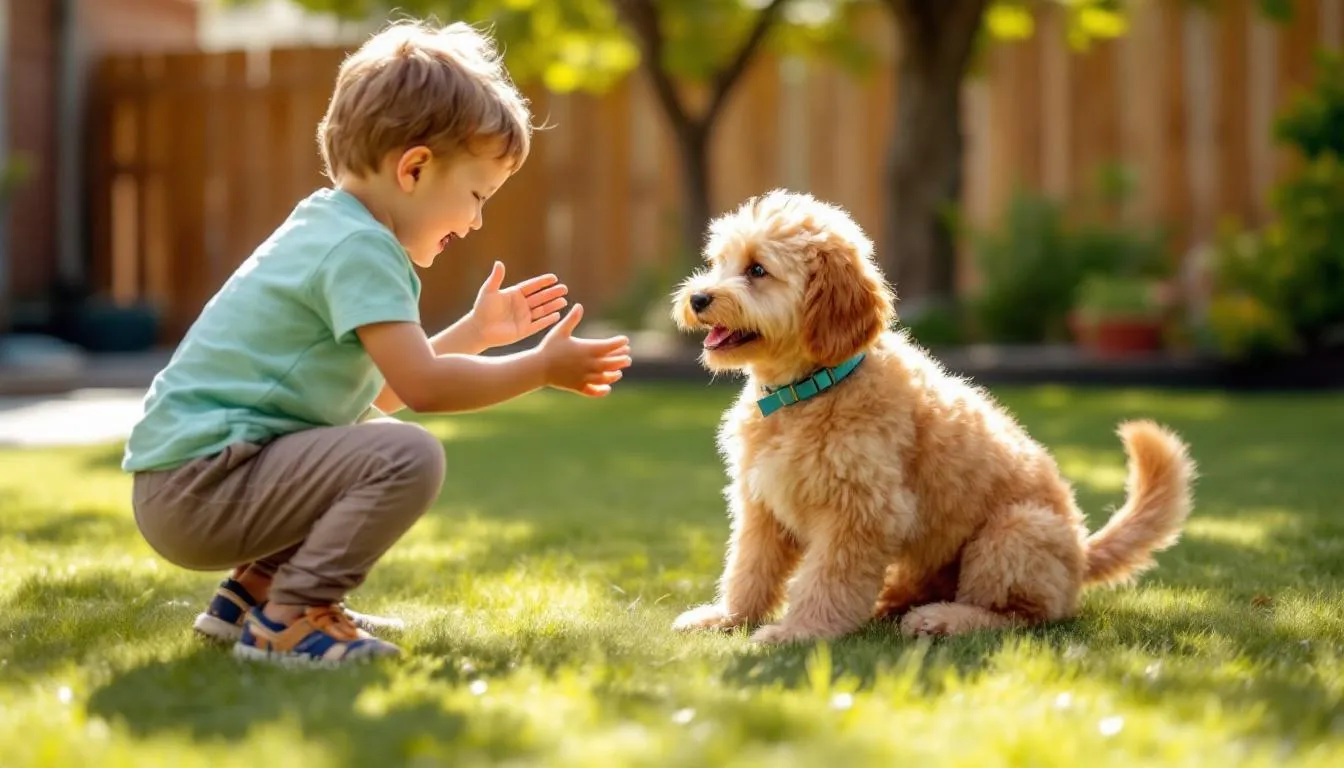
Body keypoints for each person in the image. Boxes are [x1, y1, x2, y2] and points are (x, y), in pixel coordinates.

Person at [121, 18, 632, 667]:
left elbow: (380, 392)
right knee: (406, 457)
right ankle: (292, 615)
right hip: (203, 488)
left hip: (188, 484)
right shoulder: (363, 249)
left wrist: (475, 335)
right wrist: (538, 368)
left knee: (360, 433)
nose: (476, 222)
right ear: (415, 167)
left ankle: (249, 600)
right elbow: (421, 391)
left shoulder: (329, 227)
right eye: (477, 195)